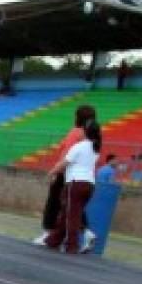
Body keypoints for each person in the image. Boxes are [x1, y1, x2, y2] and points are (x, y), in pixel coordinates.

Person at [36, 104, 97, 248]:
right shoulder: (93, 138)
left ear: (78, 117)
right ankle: (87, 232)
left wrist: (56, 172)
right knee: (73, 207)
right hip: (86, 177)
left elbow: (66, 154)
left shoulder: (75, 132)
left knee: (53, 203)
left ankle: (48, 232)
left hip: (68, 174)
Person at [44, 119, 103, 253]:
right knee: (67, 212)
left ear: (85, 132)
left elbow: (65, 163)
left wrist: (51, 173)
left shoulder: (79, 146)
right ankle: (53, 240)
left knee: (72, 216)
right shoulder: (96, 148)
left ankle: (72, 245)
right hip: (89, 184)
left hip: (76, 183)